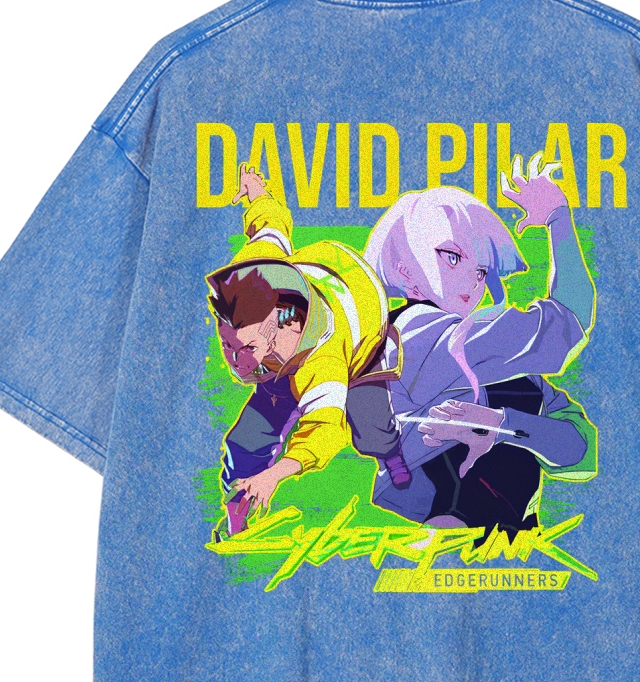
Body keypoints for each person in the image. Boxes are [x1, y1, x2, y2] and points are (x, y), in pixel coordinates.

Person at [363, 152, 598, 539]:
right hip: (441, 523)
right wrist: (558, 219)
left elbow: (580, 448)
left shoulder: (497, 361)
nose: (472, 283)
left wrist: (505, 424)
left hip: (506, 537)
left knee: (520, 392)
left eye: (481, 271)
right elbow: (568, 320)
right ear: (405, 270)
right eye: (452, 257)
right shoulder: (416, 334)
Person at [208, 165, 411, 537]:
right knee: (246, 443)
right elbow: (271, 222)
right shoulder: (253, 266)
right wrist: (255, 190)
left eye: (247, 348)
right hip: (295, 332)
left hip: (363, 339)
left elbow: (325, 432)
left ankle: (391, 455)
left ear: (281, 327)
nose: (236, 363)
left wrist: (274, 475)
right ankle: (238, 511)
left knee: (372, 429)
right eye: (228, 346)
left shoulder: (324, 359)